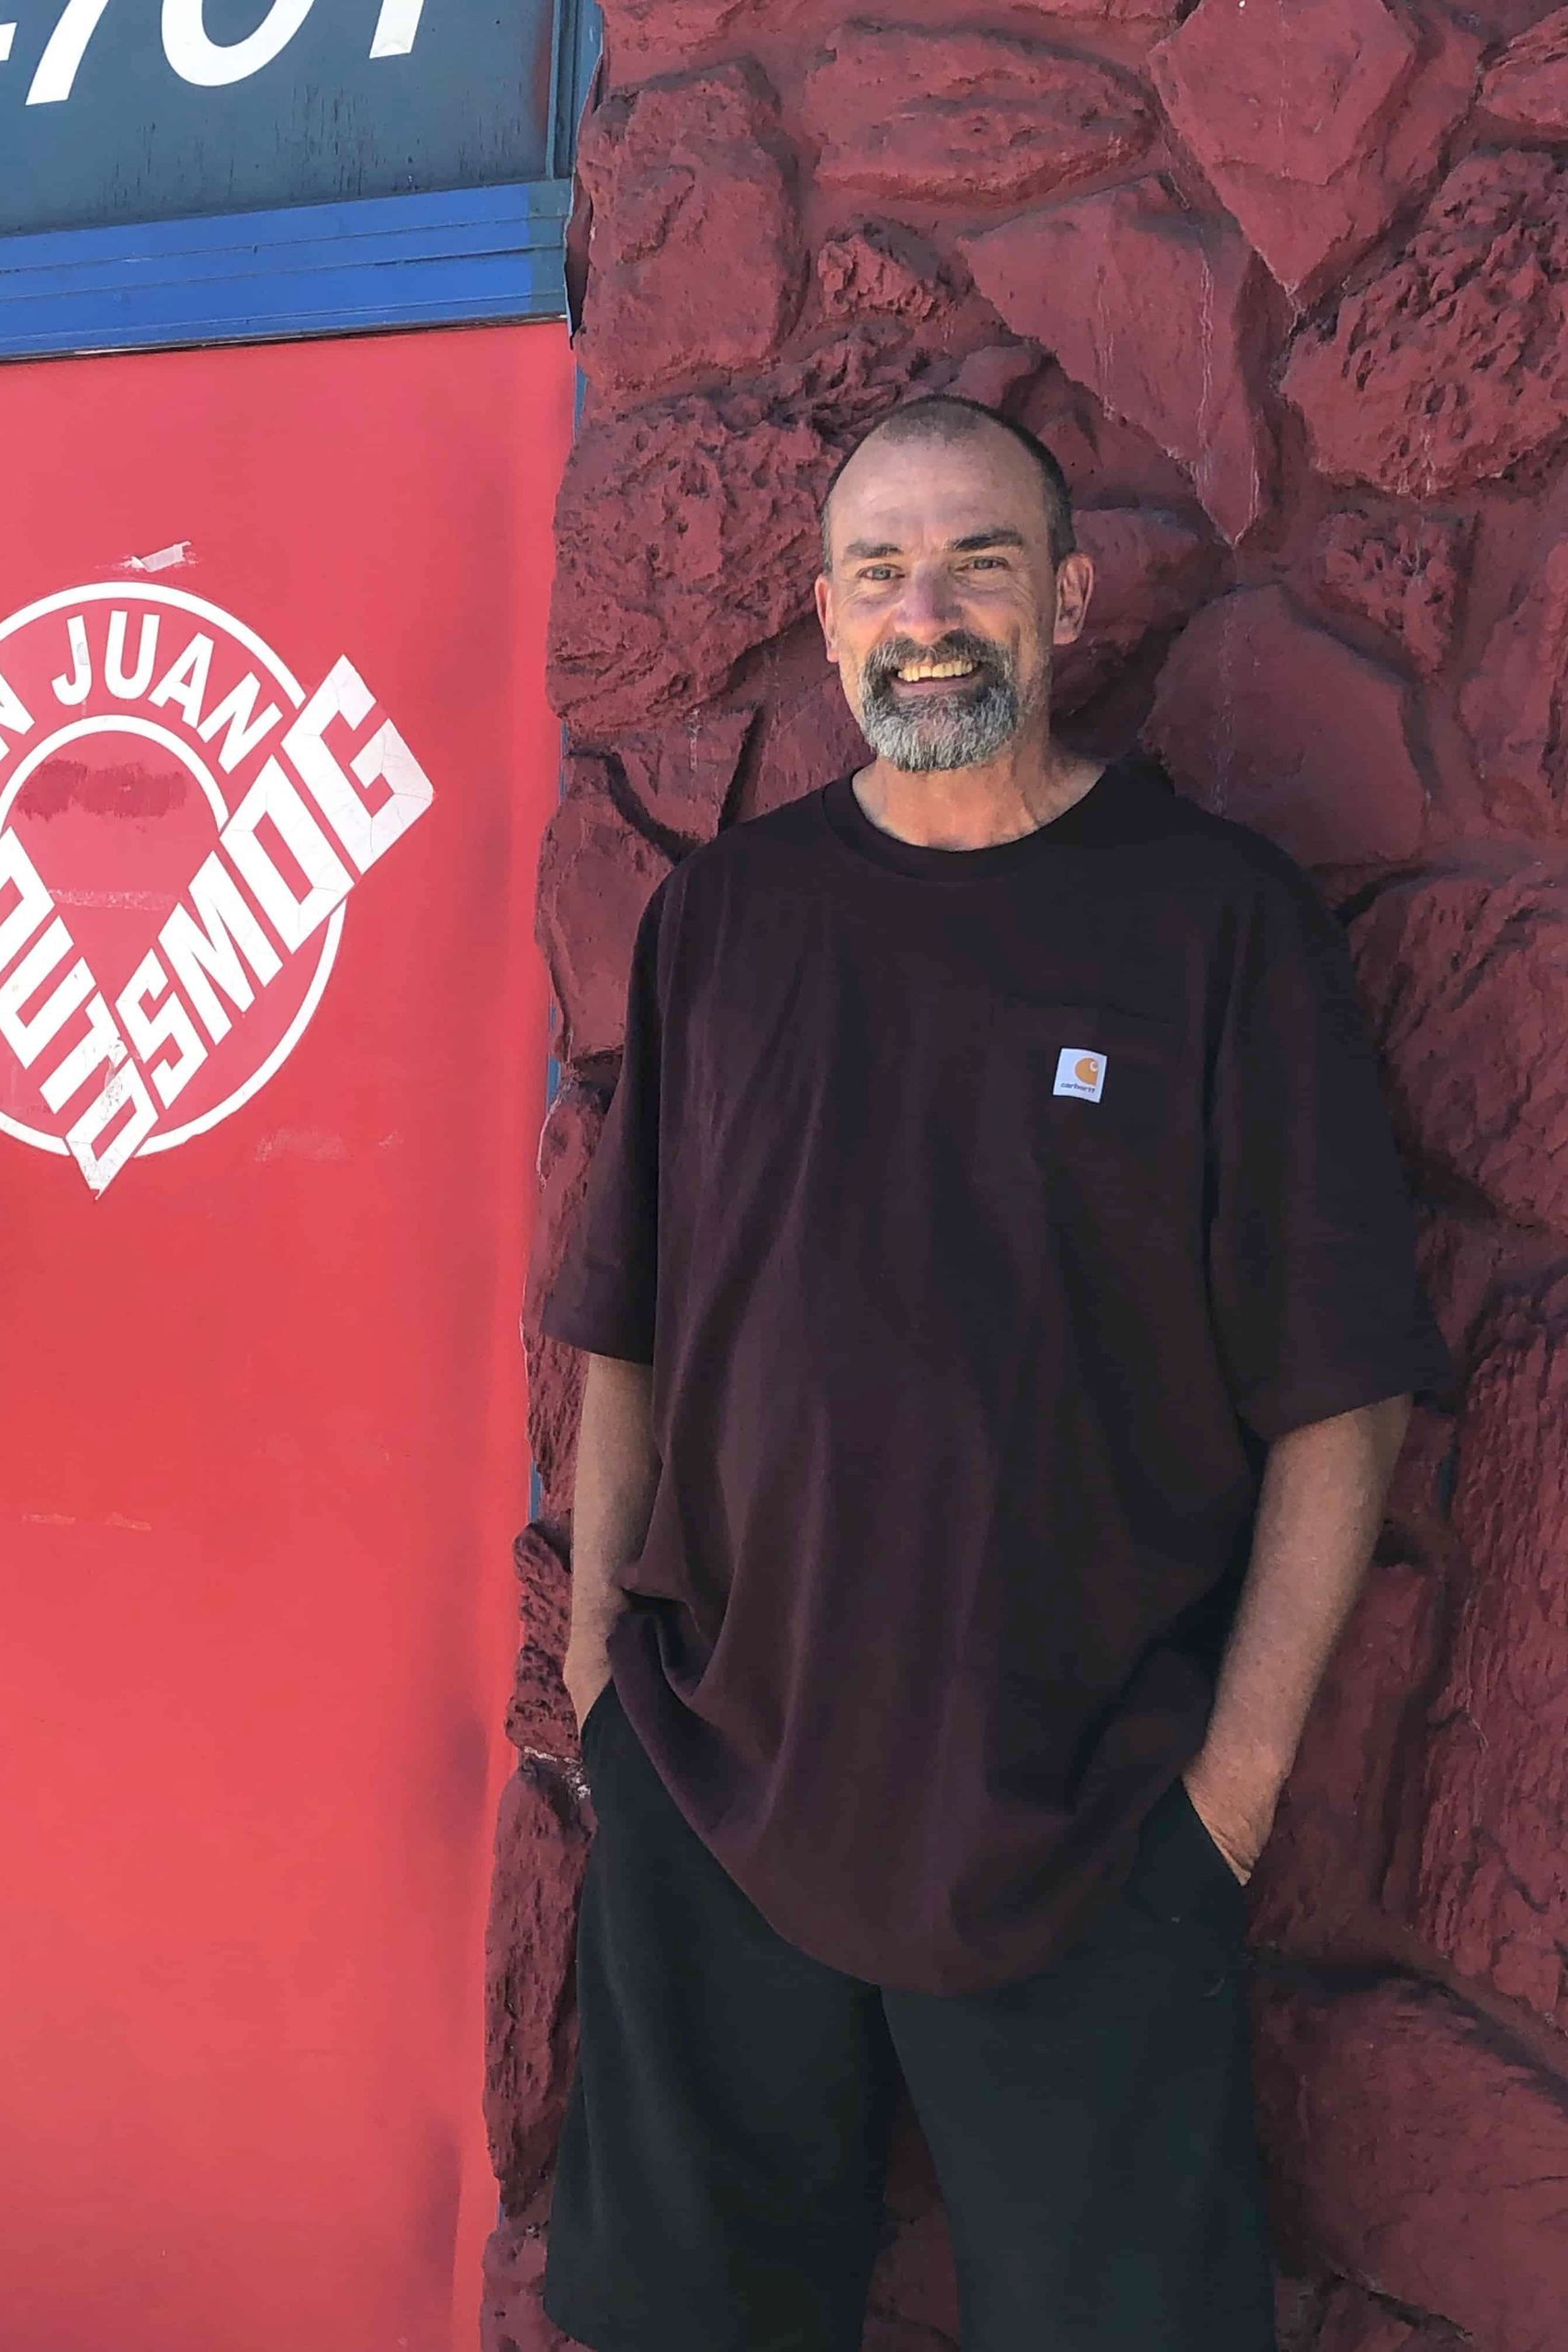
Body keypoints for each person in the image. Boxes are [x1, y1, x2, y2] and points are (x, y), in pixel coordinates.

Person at [536, 394, 1454, 2352]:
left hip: (1087, 1823)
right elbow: (626, 1317)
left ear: (1067, 598)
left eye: (976, 562)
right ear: (824, 609)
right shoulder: (725, 923)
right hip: (719, 1788)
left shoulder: (1210, 922)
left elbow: (1340, 1386)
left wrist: (1233, 1786)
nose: (924, 610)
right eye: (879, 569)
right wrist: (603, 1668)